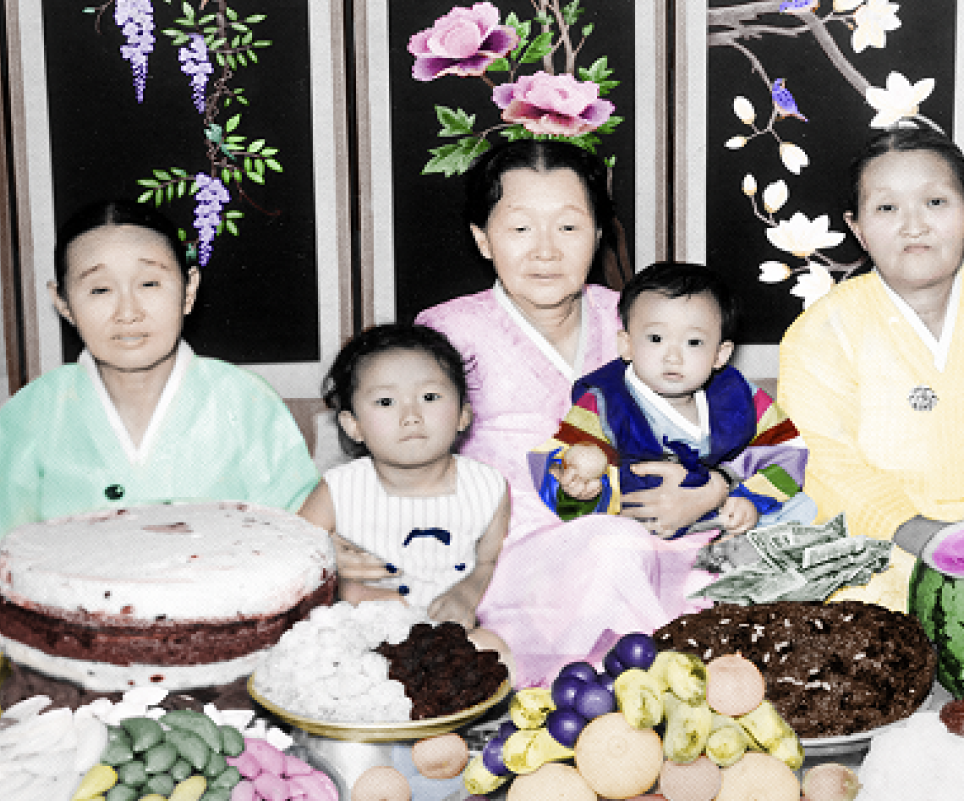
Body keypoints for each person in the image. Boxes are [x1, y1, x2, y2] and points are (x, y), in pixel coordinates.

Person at [0, 200, 318, 801]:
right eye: (99, 288)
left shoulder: (245, 403)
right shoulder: (29, 419)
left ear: (189, 290)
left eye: (151, 282)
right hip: (59, 687)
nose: (128, 311)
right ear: (62, 302)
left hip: (228, 686)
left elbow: (300, 545)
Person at [417, 139, 728, 686]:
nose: (545, 251)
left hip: (662, 531)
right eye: (519, 229)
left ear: (598, 233)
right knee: (614, 549)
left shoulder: (638, 320)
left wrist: (714, 488)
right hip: (512, 564)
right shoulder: (446, 333)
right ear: (482, 239)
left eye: (568, 227)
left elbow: (719, 426)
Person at [777, 127, 964, 611]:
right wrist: (916, 531)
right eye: (887, 208)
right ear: (858, 227)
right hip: (877, 550)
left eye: (935, 202)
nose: (913, 225)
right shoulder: (823, 329)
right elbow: (822, 460)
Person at [540, 261, 815, 539]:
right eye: (656, 338)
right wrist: (580, 486)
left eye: (693, 342)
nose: (673, 356)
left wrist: (749, 500)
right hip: (645, 527)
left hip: (724, 517)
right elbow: (559, 459)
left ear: (721, 354)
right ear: (627, 344)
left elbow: (789, 451)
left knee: (805, 510)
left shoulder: (739, 396)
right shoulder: (604, 402)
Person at [297, 323, 510, 660]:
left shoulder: (487, 487)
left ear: (463, 414)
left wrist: (466, 594)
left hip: (447, 636)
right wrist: (340, 582)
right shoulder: (339, 489)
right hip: (359, 639)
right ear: (353, 425)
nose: (411, 416)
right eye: (386, 401)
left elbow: (488, 561)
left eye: (429, 397)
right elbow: (294, 555)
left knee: (494, 652)